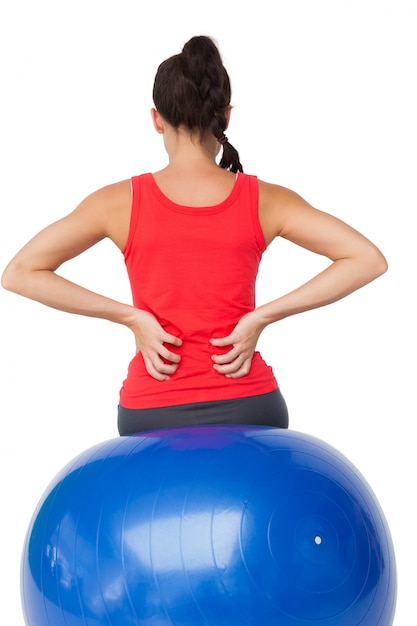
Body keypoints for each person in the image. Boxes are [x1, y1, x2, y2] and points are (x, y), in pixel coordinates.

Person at [1, 35, 387, 436]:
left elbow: (20, 272)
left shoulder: (118, 202)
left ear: (156, 119)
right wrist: (261, 318)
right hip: (249, 404)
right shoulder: (265, 200)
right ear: (226, 115)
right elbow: (366, 259)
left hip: (152, 408)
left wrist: (132, 318)